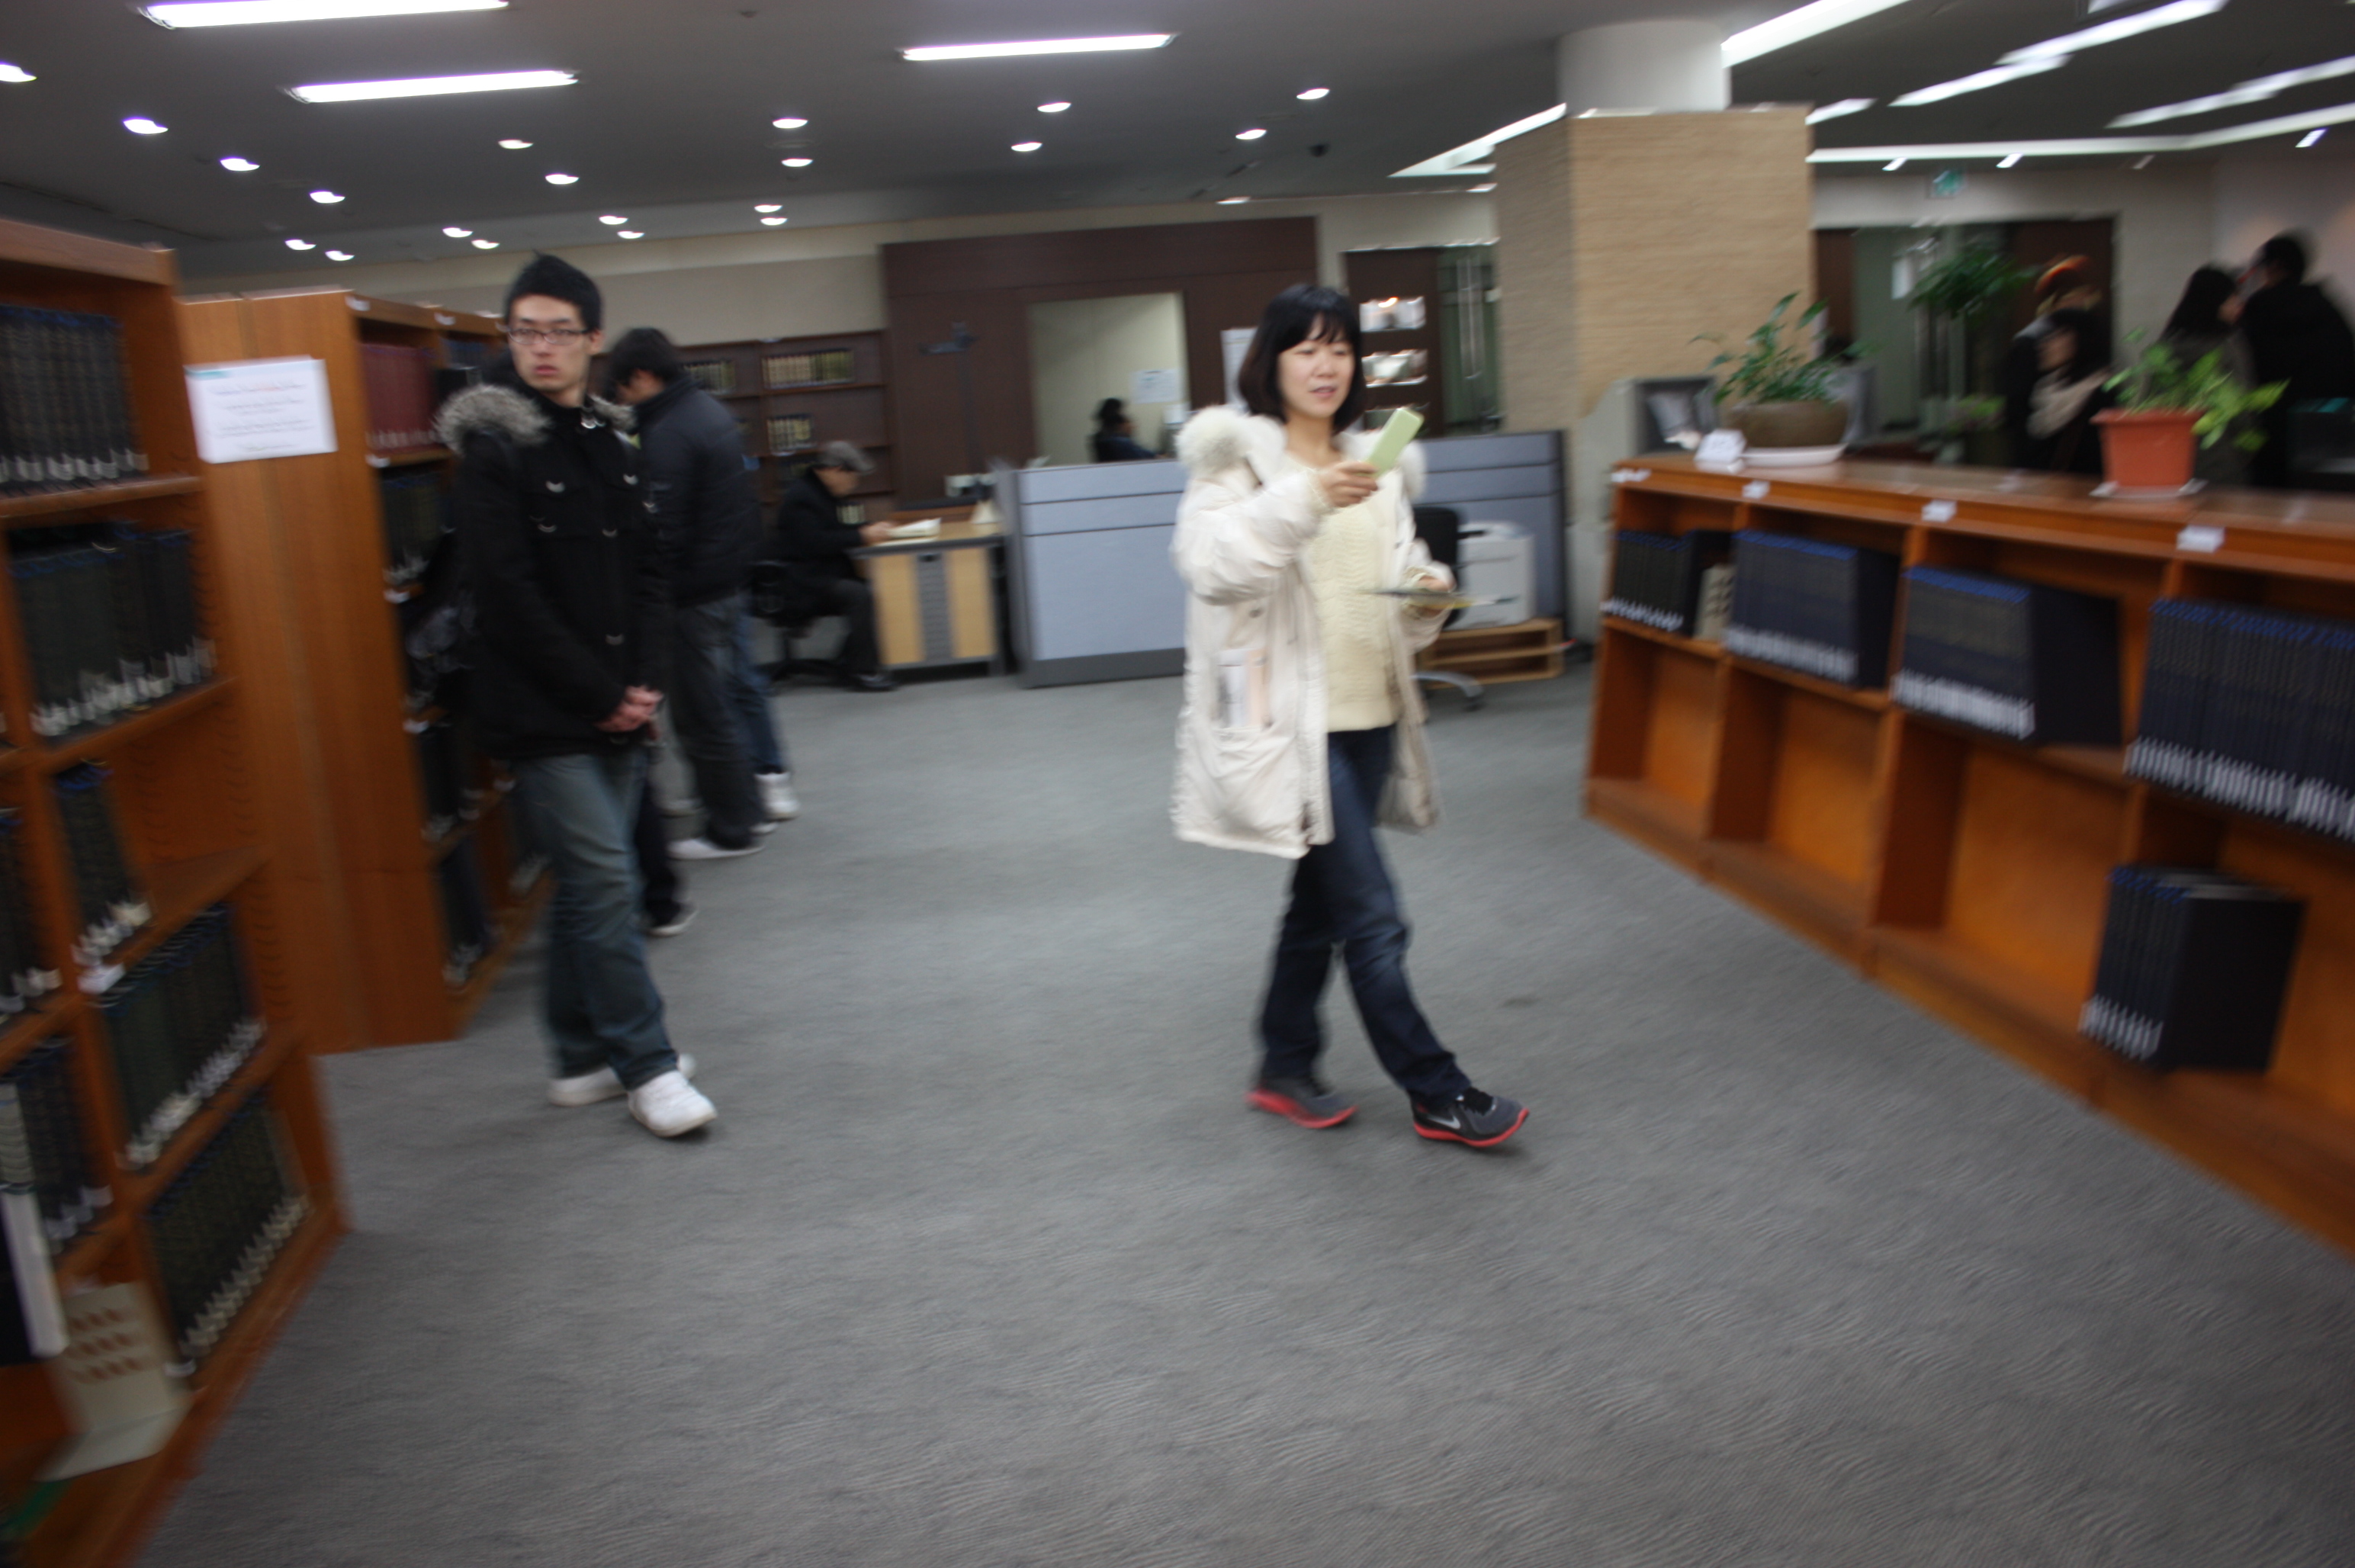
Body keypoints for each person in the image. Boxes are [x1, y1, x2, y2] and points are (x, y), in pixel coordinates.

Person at [1170, 283, 1528, 1149]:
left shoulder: (1378, 465)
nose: (1326, 365)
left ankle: (1282, 1063)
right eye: (1307, 348)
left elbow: (1398, 577)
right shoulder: (1236, 466)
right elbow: (1211, 565)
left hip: (1372, 710)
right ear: (1272, 363)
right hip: (1287, 725)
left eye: (1340, 348)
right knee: (1372, 914)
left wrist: (1428, 589)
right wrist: (1305, 498)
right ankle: (1437, 1090)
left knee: (1320, 909)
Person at [438, 253, 715, 1138]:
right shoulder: (492, 448)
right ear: (510, 338)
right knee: (607, 880)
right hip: (544, 711)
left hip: (620, 700)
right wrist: (602, 694)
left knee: (591, 885)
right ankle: (647, 1064)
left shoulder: (608, 434)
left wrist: (645, 681)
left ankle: (575, 1057)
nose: (542, 348)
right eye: (526, 331)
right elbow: (509, 594)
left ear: (593, 340)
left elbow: (649, 566)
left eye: (560, 332)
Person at [606, 327, 773, 861]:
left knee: (702, 716)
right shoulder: (707, 410)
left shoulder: (669, 433)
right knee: (720, 706)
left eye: (622, 388)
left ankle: (731, 829)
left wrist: (641, 597)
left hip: (690, 596)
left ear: (641, 376)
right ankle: (745, 808)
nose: (621, 401)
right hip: (724, 584)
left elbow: (665, 534)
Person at [771, 442, 897, 692]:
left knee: (873, 589)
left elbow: (832, 531)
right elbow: (815, 542)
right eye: (853, 477)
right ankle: (861, 672)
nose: (855, 484)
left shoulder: (819, 492)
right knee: (859, 595)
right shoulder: (803, 498)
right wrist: (861, 536)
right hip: (803, 581)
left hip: (817, 573)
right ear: (836, 470)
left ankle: (849, 660)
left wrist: (866, 528)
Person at [2238, 232, 2355, 488]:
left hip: (2270, 429)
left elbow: (2244, 368)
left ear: (2274, 267)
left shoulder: (2257, 310)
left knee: (2268, 504)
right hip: (2326, 428)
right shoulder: (2328, 309)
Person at [2001, 256, 2106, 468]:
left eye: (2084, 298)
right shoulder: (2030, 346)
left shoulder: (2095, 387)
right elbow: (2017, 410)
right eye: (2073, 299)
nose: (2081, 304)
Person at [2160, 265, 2257, 487]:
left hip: (2171, 456)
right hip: (2221, 459)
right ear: (2217, 304)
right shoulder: (2228, 347)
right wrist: (2247, 449)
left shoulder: (2166, 347)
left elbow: (2148, 404)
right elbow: (2242, 407)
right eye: (2233, 300)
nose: (2238, 308)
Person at [2021, 305, 2111, 476]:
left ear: (2081, 339)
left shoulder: (2101, 393)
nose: (2044, 344)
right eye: (2045, 337)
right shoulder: (2045, 389)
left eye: (2056, 335)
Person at [1091, 397, 1158, 462]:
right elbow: (1144, 456)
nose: (1133, 427)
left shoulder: (1100, 437)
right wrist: (1156, 455)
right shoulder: (1120, 442)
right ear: (1119, 425)